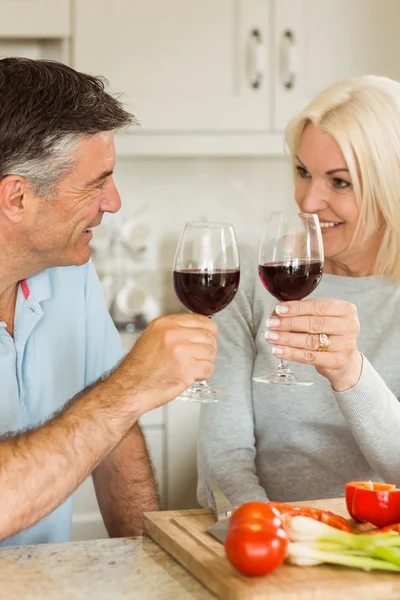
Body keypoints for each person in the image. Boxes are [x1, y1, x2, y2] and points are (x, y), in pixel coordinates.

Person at [0, 57, 218, 547]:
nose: (114, 201)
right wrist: (131, 387)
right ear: (17, 198)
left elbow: (117, 436)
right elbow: (117, 400)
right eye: (96, 182)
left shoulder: (68, 273)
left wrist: (153, 561)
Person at [197, 75, 400, 508]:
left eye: (339, 182)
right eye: (304, 173)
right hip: (264, 541)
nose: (308, 201)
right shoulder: (252, 277)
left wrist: (349, 372)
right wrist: (261, 528)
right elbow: (224, 455)